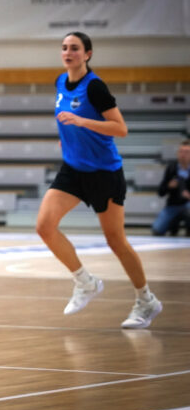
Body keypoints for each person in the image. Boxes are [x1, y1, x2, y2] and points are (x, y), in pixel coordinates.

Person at [36, 32, 163, 329]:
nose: (68, 52)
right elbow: (65, 120)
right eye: (64, 48)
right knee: (44, 226)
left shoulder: (95, 87)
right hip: (73, 170)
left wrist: (82, 122)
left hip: (104, 172)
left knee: (116, 240)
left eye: (75, 48)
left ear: (88, 54)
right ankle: (85, 282)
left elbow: (120, 128)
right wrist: (69, 139)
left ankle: (146, 300)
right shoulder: (59, 82)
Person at [151, 140, 190, 236]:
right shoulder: (171, 168)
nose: (183, 155)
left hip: (188, 205)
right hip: (173, 205)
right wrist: (169, 186)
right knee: (157, 230)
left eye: (187, 152)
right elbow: (160, 192)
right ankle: (173, 223)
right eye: (181, 151)